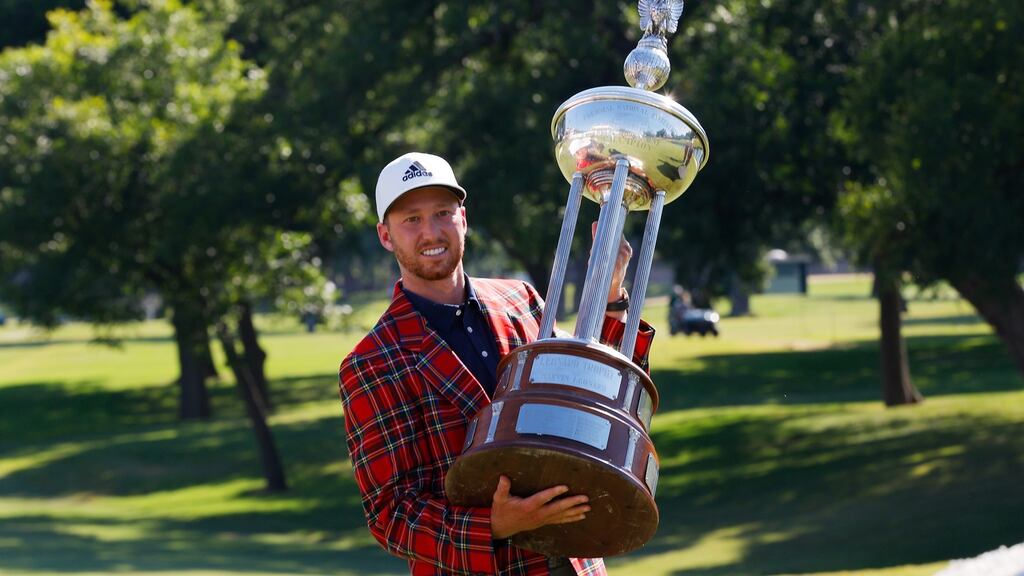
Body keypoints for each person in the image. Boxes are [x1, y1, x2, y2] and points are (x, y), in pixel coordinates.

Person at [338, 152, 656, 575]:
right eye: (411, 219)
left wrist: (612, 293)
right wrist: (495, 524)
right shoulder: (371, 362)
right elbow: (391, 515)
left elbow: (600, 396)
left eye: (442, 213)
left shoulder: (520, 300)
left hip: (578, 563)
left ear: (463, 219)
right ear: (385, 235)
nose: (431, 231)